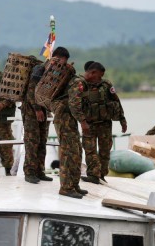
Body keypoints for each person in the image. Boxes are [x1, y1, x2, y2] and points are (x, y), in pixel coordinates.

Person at [70, 62, 127, 185]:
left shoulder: (106, 85)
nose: (100, 78)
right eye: (99, 76)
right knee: (90, 151)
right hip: (89, 125)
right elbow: (74, 105)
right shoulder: (79, 84)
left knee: (105, 151)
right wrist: (83, 122)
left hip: (105, 124)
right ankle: (93, 175)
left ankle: (101, 174)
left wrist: (122, 120)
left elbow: (116, 101)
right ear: (93, 73)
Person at [22, 48, 70, 184]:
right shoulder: (39, 69)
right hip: (32, 110)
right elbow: (31, 91)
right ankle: (29, 172)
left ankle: (39, 170)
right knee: (32, 141)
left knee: (42, 140)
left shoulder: (55, 72)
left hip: (44, 109)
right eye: (61, 61)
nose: (62, 64)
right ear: (55, 58)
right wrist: (37, 109)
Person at [50, 48, 87, 198]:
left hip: (66, 119)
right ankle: (66, 187)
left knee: (76, 151)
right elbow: (74, 103)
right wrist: (83, 121)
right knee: (68, 153)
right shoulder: (74, 81)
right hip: (64, 119)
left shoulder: (63, 77)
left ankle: (74, 184)